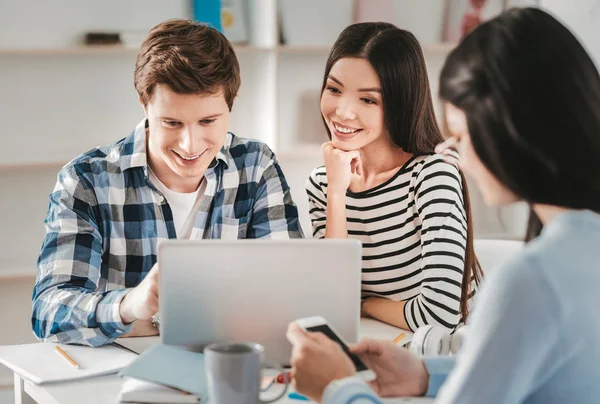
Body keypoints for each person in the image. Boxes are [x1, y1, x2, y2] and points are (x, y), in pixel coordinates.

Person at [288, 7, 600, 403]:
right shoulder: (579, 252)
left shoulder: (531, 282)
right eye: (334, 89)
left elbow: (444, 319)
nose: (456, 153)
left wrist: (337, 388)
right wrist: (425, 374)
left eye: (464, 134)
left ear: (511, 134)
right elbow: (511, 368)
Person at [32, 19, 303, 347]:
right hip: (121, 375)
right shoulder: (86, 181)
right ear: (145, 104)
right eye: (172, 123)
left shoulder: (255, 166)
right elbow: (48, 312)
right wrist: (129, 305)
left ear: (230, 106)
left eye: (208, 121)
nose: (190, 145)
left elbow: (289, 288)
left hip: (230, 358)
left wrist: (153, 322)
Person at [306, 22, 481, 332]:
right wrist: (336, 194)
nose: (342, 112)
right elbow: (331, 300)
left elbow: (440, 315)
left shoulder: (432, 175)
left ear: (400, 104)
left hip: (451, 353)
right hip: (381, 343)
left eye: (368, 100)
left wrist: (364, 304)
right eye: (334, 89)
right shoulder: (324, 182)